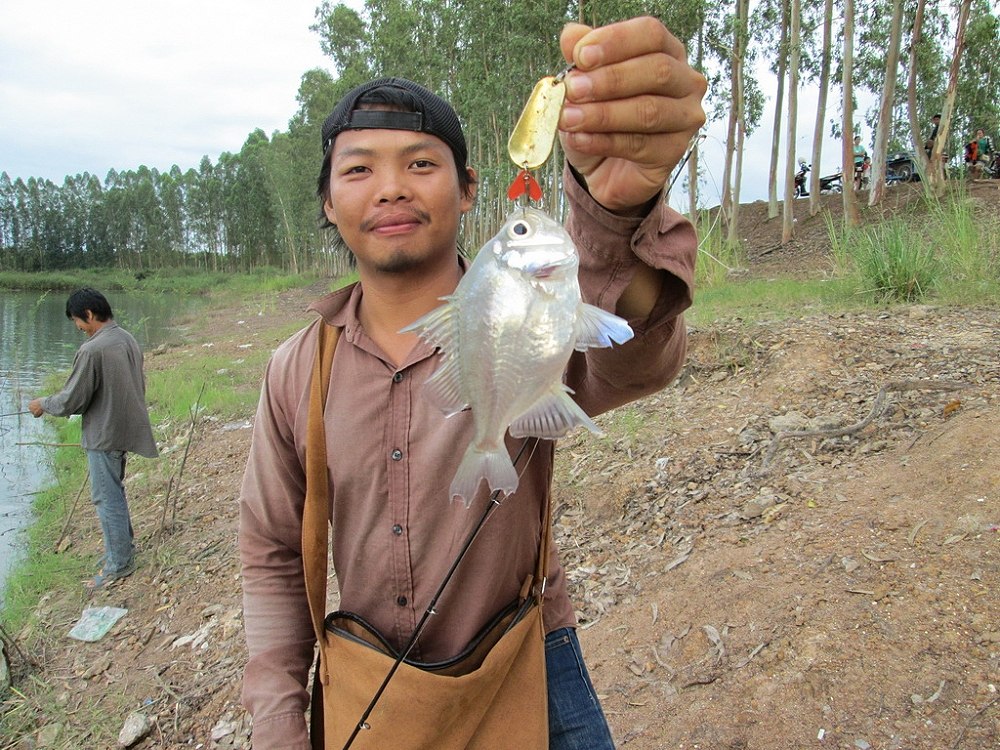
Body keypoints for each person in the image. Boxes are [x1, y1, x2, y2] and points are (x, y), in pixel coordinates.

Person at [238, 16, 706, 750]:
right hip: (364, 683)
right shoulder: (295, 370)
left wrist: (615, 213)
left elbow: (637, 356)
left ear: (468, 190)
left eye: (421, 164)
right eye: (358, 170)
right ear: (328, 204)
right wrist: (278, 725)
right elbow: (269, 551)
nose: (390, 188)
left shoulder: (527, 311)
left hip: (532, 660)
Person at [28, 288, 158, 589]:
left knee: (106, 497)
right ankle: (122, 550)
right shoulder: (125, 337)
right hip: (125, 428)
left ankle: (119, 564)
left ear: (89, 314)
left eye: (77, 320)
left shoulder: (92, 349)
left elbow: (71, 399)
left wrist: (42, 404)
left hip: (104, 434)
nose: (78, 328)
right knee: (115, 491)